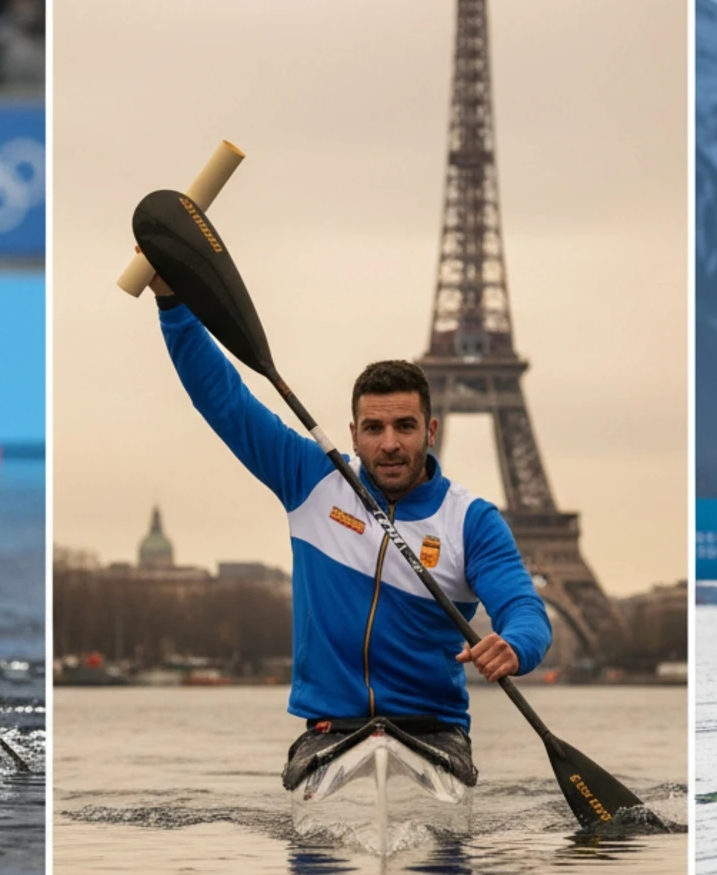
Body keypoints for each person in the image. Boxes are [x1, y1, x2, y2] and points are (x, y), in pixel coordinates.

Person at [150, 275, 552, 785]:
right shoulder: (309, 478)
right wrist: (172, 300)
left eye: (405, 427)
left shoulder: (471, 521)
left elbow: (525, 608)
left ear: (430, 431)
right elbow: (222, 399)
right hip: (326, 730)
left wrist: (514, 644)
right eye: (374, 428)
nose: (389, 443)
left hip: (435, 733)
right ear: (353, 435)